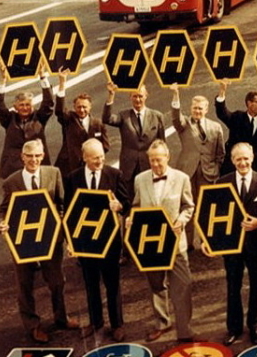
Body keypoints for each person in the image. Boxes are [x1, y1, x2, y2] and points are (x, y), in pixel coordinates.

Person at [0, 139, 79, 343]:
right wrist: (2, 223)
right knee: (25, 284)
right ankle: (32, 326)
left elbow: (62, 203)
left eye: (37, 156)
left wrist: (62, 227)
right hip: (23, 241)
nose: (33, 160)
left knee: (57, 281)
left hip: (50, 239)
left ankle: (61, 318)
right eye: (29, 156)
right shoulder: (11, 182)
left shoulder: (54, 173)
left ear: (43, 156)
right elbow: (3, 210)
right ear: (22, 157)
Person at [132, 140, 196, 343]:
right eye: (152, 160)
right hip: (151, 244)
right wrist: (132, 218)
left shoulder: (182, 178)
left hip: (176, 244)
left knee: (183, 286)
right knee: (156, 286)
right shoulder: (140, 179)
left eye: (158, 160)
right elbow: (136, 206)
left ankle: (185, 331)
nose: (155, 164)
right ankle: (162, 323)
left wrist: (181, 220)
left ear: (167, 157)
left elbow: (188, 206)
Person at [67, 138, 128, 342]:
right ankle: (96, 321)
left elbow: (127, 204)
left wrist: (119, 206)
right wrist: (71, 242)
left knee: (112, 285)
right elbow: (70, 212)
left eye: (102, 157)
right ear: (84, 157)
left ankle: (117, 324)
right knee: (91, 284)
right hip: (86, 242)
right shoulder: (73, 178)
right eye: (95, 158)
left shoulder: (114, 175)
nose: (100, 161)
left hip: (109, 241)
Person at [214, 142, 257, 346]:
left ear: (252, 158)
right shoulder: (222, 183)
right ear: (232, 160)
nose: (243, 162)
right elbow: (214, 214)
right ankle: (234, 328)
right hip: (231, 246)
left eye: (246, 158)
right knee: (232, 285)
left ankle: (256, 325)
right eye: (238, 159)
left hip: (256, 243)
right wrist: (211, 242)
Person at [169, 85, 225, 247]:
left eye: (200, 108)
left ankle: (206, 241)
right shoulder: (184, 124)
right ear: (190, 108)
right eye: (195, 108)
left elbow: (220, 153)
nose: (197, 111)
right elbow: (175, 117)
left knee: (206, 208)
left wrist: (215, 169)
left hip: (208, 174)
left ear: (206, 110)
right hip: (187, 173)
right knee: (187, 208)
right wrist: (175, 94)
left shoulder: (216, 127)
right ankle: (187, 244)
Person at [102, 82, 167, 199]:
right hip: (129, 168)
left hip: (150, 165)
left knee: (150, 198)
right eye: (135, 96)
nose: (138, 99)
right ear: (130, 97)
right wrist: (111, 95)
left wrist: (163, 167)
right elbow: (107, 119)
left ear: (146, 96)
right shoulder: (124, 116)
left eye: (140, 96)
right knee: (129, 199)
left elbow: (162, 144)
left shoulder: (157, 116)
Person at [0, 61, 54, 178]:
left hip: (37, 166)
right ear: (15, 107)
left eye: (28, 104)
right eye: (21, 105)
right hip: (13, 169)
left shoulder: (39, 118)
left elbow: (49, 103)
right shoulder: (9, 119)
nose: (25, 108)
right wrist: (3, 81)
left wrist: (42, 77)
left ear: (33, 106)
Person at [55, 68, 110, 180]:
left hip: (89, 167)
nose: (81, 110)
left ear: (90, 107)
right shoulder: (69, 119)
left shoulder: (98, 124)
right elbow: (59, 110)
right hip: (69, 167)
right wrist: (62, 83)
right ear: (74, 107)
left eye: (84, 107)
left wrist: (94, 158)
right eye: (79, 107)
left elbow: (105, 146)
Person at [215, 83, 257, 177]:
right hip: (234, 169)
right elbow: (222, 113)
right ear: (249, 103)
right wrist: (222, 91)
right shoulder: (237, 117)